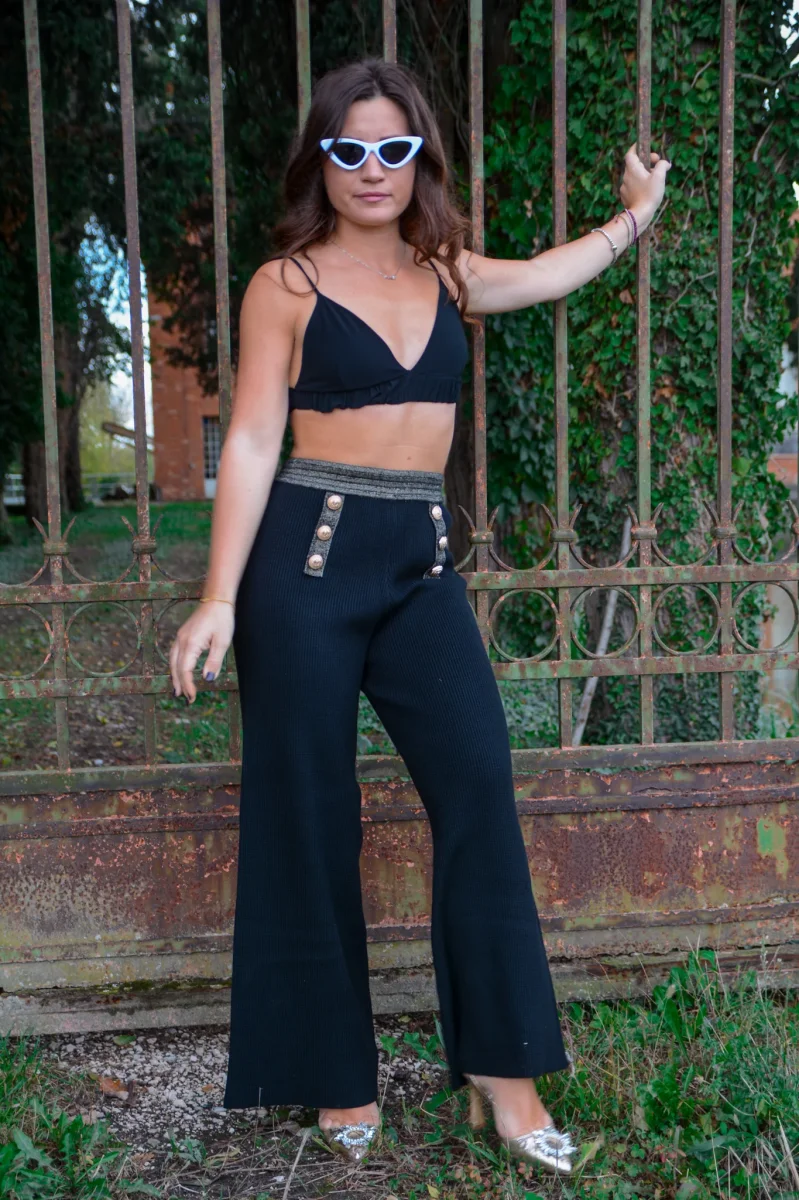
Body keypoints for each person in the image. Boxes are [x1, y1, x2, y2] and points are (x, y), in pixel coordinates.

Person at [169, 56, 670, 1174]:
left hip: (420, 566)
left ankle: (505, 1074)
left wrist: (633, 217)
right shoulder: (286, 284)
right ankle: (336, 1078)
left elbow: (546, 275)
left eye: (393, 148)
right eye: (349, 148)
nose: (372, 168)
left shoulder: (446, 271)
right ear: (321, 160)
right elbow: (250, 439)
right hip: (305, 561)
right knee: (310, 815)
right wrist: (217, 598)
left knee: (479, 786)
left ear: (418, 159)